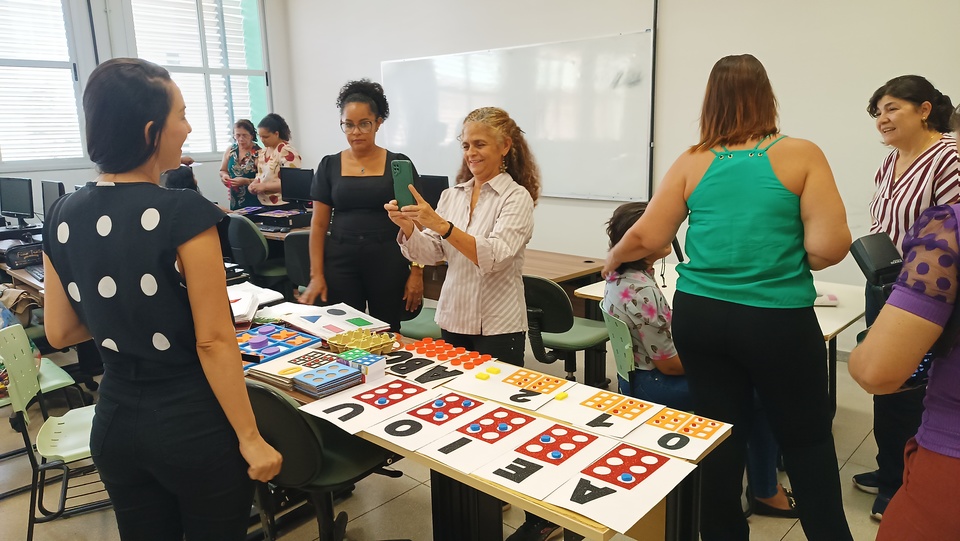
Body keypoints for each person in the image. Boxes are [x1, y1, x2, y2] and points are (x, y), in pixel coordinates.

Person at [603, 54, 852, 541]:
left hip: (702, 318)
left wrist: (613, 258)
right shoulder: (802, 154)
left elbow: (647, 237)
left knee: (719, 435)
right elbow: (828, 248)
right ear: (767, 97)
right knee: (807, 441)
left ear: (709, 101)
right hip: (776, 321)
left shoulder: (692, 160)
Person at [41, 57, 281, 541]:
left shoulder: (61, 213)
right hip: (190, 425)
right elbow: (213, 340)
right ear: (151, 131)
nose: (188, 129)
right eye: (182, 115)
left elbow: (60, 332)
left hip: (114, 424)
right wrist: (251, 437)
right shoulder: (183, 212)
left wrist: (125, 316)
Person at [385, 107, 549, 540]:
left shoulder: (516, 198)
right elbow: (433, 254)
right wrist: (408, 229)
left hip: (499, 324)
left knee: (501, 417)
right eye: (465, 145)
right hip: (454, 316)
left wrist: (441, 226)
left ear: (505, 147)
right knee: (461, 414)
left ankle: (511, 496)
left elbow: (492, 257)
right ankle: (473, 490)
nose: (470, 153)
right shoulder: (453, 194)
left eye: (479, 144)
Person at [603, 202, 798, 518]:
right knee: (761, 394)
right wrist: (724, 362)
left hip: (636, 374)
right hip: (655, 382)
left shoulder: (619, 275)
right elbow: (669, 365)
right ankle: (765, 490)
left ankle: (761, 482)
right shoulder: (641, 290)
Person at [849, 110, 960, 540]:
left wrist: (867, 352)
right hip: (898, 287)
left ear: (925, 110)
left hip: (949, 456)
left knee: (899, 383)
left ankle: (894, 482)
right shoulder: (890, 162)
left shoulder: (947, 222)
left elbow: (877, 371)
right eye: (878, 111)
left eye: (893, 107)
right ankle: (889, 470)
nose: (883, 118)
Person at [299, 79, 424, 332]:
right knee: (343, 332)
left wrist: (417, 272)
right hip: (341, 261)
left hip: (388, 260)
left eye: (364, 124)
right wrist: (316, 275)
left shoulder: (398, 165)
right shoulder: (329, 165)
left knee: (387, 332)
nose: (356, 132)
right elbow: (319, 224)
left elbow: (417, 221)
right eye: (348, 124)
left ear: (378, 122)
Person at [248, 113, 301, 206]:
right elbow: (261, 175)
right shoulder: (263, 151)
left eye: (266, 137)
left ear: (276, 134)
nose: (262, 140)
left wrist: (265, 186)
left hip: (283, 204)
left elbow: (292, 182)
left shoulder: (286, 151)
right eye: (260, 136)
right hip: (264, 203)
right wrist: (254, 184)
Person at [218, 119, 261, 210]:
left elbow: (264, 179)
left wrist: (246, 181)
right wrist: (225, 176)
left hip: (254, 199)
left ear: (252, 135)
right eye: (238, 135)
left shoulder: (259, 153)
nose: (241, 139)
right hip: (235, 199)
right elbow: (223, 170)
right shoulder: (231, 150)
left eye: (244, 135)